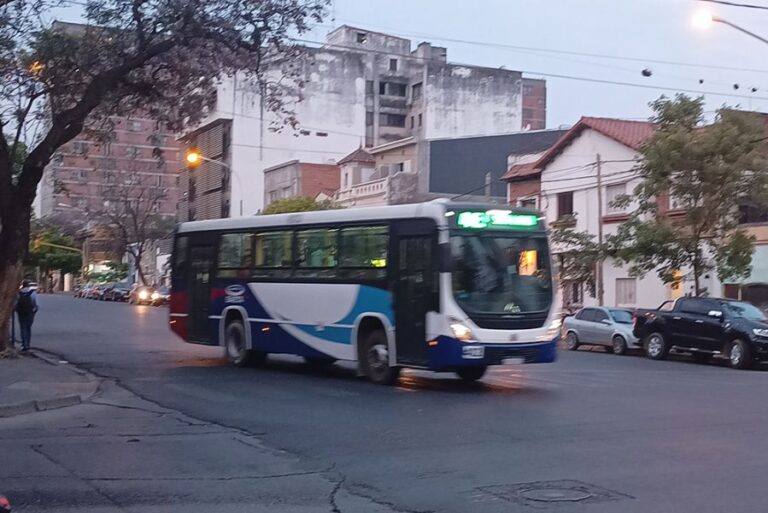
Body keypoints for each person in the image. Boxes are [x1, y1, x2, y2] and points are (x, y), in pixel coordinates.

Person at [15, 279, 39, 352]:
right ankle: (27, 344)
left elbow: (15, 303)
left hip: (21, 312)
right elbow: (35, 303)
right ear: (29, 285)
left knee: (22, 328)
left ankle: (24, 344)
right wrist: (34, 310)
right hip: (29, 312)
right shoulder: (32, 293)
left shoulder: (19, 293)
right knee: (28, 328)